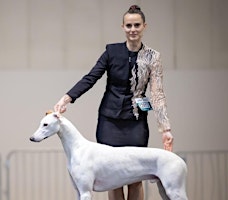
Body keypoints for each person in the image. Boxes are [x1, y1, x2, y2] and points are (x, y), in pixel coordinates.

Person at [53, 5, 174, 200]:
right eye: (128, 25)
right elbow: (91, 77)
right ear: (123, 27)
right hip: (109, 122)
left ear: (144, 26)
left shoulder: (153, 57)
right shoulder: (111, 51)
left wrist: (165, 129)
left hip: (136, 123)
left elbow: (157, 94)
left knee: (136, 178)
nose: (132, 29)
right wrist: (67, 98)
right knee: (113, 178)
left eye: (136, 25)